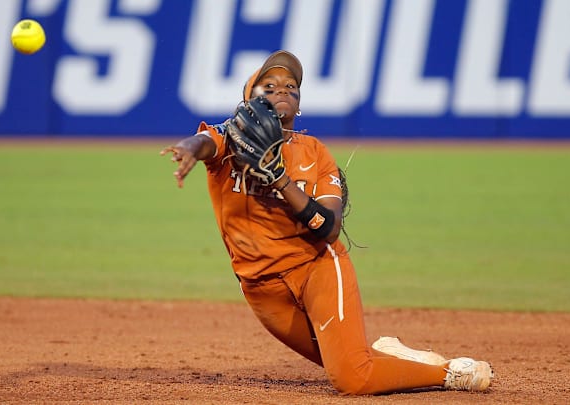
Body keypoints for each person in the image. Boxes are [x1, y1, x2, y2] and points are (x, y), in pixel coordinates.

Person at [160, 50, 493, 395]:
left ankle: (451, 373)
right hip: (262, 289)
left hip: (316, 268)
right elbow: (202, 142)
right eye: (269, 85)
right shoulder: (228, 142)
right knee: (349, 358)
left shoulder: (315, 153)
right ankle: (391, 353)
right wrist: (187, 147)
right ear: (249, 101)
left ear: (300, 103)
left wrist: (279, 179)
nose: (283, 89)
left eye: (291, 86)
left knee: (353, 378)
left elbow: (329, 226)